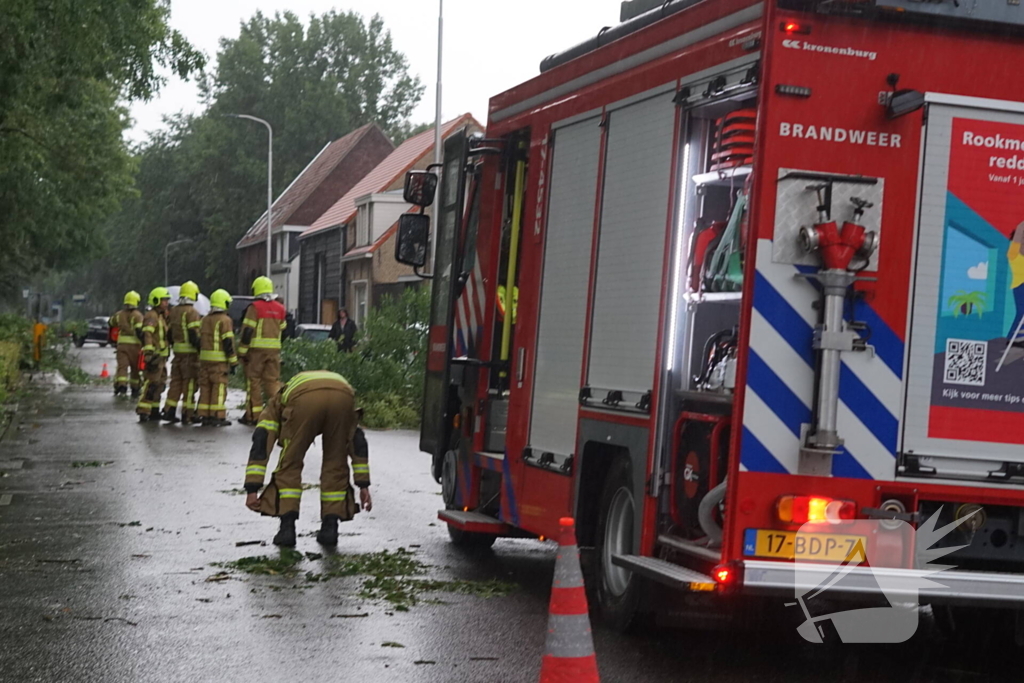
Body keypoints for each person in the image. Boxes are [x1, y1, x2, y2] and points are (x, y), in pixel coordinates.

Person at [242, 371, 371, 547]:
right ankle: (330, 527)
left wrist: (252, 488)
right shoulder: (296, 388)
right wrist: (363, 485)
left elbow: (261, 442)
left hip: (304, 400)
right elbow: (357, 441)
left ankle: (287, 529)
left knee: (290, 463)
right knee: (336, 463)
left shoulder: (275, 406)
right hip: (343, 394)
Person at [238, 276, 287, 426]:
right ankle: (279, 414)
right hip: (274, 351)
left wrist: (242, 351)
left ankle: (254, 415)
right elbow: (283, 329)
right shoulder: (280, 308)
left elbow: (247, 331)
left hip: (257, 351)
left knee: (254, 382)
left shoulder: (255, 307)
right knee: (272, 382)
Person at [161, 281, 203, 424]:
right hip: (190, 356)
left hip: (177, 354)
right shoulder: (192, 313)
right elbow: (193, 334)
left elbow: (170, 333)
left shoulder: (174, 311)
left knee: (176, 383)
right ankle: (188, 414)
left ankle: (169, 410)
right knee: (190, 384)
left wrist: (175, 346)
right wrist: (200, 349)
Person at [197, 289, 238, 427]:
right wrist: (233, 361)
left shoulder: (204, 319)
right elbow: (228, 343)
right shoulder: (225, 320)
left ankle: (204, 415)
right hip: (219, 362)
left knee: (205, 387)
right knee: (218, 388)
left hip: (204, 361)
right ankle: (217, 415)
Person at [137, 287, 171, 422]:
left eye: (167, 300)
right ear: (156, 300)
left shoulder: (161, 316)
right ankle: (143, 410)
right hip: (155, 357)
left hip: (162, 357)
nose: (166, 303)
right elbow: (148, 334)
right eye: (163, 300)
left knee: (160, 384)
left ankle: (154, 410)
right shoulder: (151, 316)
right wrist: (149, 353)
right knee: (151, 383)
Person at [108, 291, 144, 398]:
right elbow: (139, 331)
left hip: (122, 345)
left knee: (122, 367)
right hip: (135, 346)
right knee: (135, 368)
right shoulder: (138, 315)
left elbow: (110, 323)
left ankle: (121, 386)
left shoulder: (119, 315)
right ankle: (135, 388)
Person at [1008, 223, 1024, 346]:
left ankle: (1018, 338)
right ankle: (1012, 338)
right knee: (1021, 312)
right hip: (1020, 286)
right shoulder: (1014, 254)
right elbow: (1019, 233)